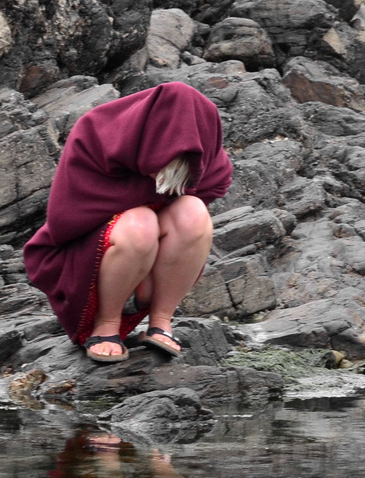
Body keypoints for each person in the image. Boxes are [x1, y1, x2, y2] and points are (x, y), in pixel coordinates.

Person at [23, 82, 232, 364]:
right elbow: (63, 222)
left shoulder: (208, 153)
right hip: (85, 255)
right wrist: (144, 205)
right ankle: (106, 325)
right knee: (140, 222)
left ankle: (161, 321)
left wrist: (149, 269)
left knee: (193, 212)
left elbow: (210, 188)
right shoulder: (97, 132)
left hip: (149, 258)